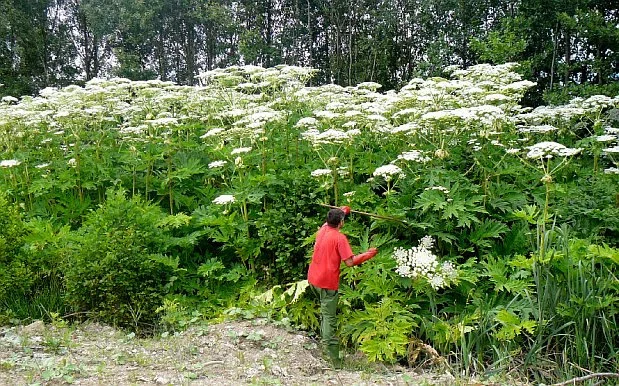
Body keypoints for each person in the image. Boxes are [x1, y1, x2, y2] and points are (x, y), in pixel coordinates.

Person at [307, 206, 378, 367]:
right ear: (341, 222)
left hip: (313, 279)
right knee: (329, 319)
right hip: (327, 284)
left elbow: (333, 218)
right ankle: (333, 361)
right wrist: (369, 254)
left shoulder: (323, 229)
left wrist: (343, 210)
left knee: (325, 313)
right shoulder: (339, 238)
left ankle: (324, 347)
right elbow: (350, 262)